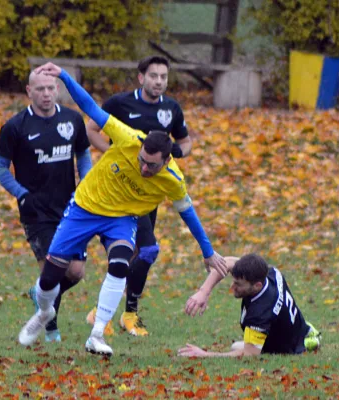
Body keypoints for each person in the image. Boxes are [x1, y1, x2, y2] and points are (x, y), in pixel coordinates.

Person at [17, 61, 228, 357]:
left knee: (119, 264)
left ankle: (97, 334)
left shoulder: (173, 180)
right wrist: (63, 76)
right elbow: (90, 107)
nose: (143, 167)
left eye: (151, 165)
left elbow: (188, 213)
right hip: (85, 208)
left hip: (121, 219)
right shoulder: (128, 137)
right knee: (50, 278)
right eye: (141, 159)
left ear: (166, 161)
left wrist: (208, 252)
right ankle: (43, 313)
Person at [86, 55, 192, 337]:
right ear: (141, 77)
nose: (159, 81)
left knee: (135, 254)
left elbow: (185, 141)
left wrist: (180, 152)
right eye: (154, 76)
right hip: (121, 192)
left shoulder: (171, 109)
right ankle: (123, 314)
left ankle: (108, 314)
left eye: (164, 77)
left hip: (149, 193)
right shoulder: (120, 103)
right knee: (144, 250)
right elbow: (91, 129)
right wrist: (110, 155)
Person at [0, 70, 92, 343]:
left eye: (51, 88)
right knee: (53, 269)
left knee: (76, 272)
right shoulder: (15, 127)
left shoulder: (72, 119)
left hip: (72, 208)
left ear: (57, 90)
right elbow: (0, 168)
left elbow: (83, 153)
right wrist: (21, 193)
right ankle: (51, 330)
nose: (46, 94)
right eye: (40, 89)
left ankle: (38, 295)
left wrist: (86, 181)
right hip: (36, 212)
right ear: (29, 91)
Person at [178, 254, 321, 358]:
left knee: (238, 348)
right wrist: (204, 292)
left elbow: (250, 355)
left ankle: (307, 342)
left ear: (257, 285)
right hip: (293, 325)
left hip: (289, 346)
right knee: (236, 346)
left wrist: (204, 354)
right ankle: (305, 330)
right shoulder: (269, 273)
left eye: (238, 284)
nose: (232, 287)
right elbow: (226, 262)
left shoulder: (260, 312)